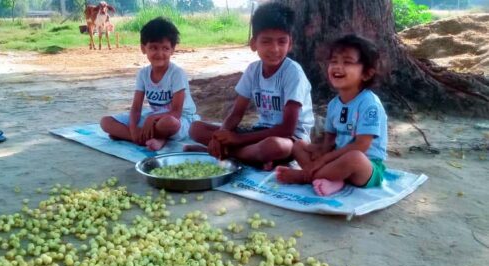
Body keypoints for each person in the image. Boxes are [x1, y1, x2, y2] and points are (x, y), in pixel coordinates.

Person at [186, 2, 314, 170]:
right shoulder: (253, 70)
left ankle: (225, 152)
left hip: (292, 139)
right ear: (254, 44)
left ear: (290, 44)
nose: (274, 49)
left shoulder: (293, 73)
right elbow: (236, 114)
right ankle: (244, 154)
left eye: (281, 41)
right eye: (266, 41)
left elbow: (286, 130)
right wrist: (220, 137)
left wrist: (237, 140)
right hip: (259, 132)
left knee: (274, 147)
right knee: (196, 129)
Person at [276, 34, 387, 196]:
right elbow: (330, 139)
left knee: (354, 157)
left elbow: (361, 146)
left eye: (347, 62)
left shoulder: (369, 104)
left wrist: (323, 160)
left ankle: (304, 176)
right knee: (299, 144)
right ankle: (332, 178)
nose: (337, 67)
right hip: (336, 159)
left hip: (366, 166)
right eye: (334, 61)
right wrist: (321, 152)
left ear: (366, 74)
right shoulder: (334, 104)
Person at [100, 17, 199, 151]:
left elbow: (176, 112)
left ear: (172, 50)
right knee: (106, 122)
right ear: (143, 48)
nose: (159, 53)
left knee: (168, 123)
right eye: (153, 48)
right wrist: (134, 129)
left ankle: (155, 137)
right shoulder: (143, 74)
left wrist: (151, 119)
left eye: (165, 48)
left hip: (181, 119)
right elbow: (136, 109)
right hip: (154, 116)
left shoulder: (177, 74)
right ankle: (146, 137)